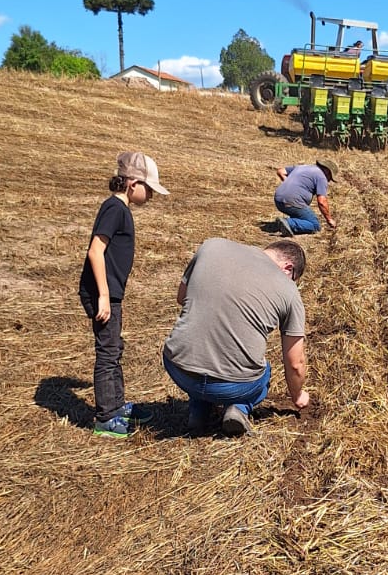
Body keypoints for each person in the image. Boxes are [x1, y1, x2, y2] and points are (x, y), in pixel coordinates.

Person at [162, 238, 311, 437]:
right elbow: (295, 363)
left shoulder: (212, 246)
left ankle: (199, 410)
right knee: (264, 372)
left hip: (178, 368)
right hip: (233, 386)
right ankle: (239, 407)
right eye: (294, 279)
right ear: (288, 268)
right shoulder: (288, 290)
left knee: (203, 349)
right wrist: (298, 395)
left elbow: (182, 297)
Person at [78, 151, 168, 439]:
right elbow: (95, 251)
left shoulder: (120, 209)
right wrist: (104, 296)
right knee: (107, 353)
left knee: (114, 348)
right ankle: (106, 418)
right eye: (149, 189)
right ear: (132, 184)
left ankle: (117, 406)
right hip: (103, 294)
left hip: (111, 293)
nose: (151, 195)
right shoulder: (115, 209)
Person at [272, 162, 335, 236]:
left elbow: (280, 171)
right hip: (292, 201)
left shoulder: (302, 167)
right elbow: (322, 202)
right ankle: (288, 223)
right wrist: (329, 219)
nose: (328, 180)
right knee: (314, 225)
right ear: (327, 171)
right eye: (330, 177)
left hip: (278, 199)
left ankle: (291, 223)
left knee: (301, 216)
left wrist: (289, 184)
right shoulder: (321, 177)